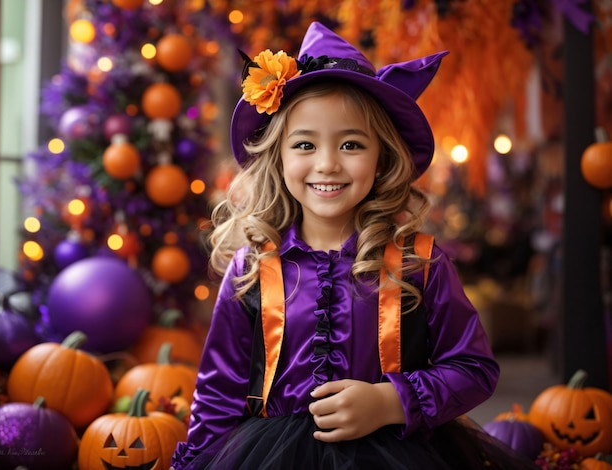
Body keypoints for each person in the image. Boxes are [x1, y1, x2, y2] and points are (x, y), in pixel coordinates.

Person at [171, 22, 538, 470]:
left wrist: (391, 402)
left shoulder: (418, 263)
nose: (327, 164)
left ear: (382, 158)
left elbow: (474, 369)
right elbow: (217, 395)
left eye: (350, 144)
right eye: (305, 144)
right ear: (278, 156)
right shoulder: (253, 268)